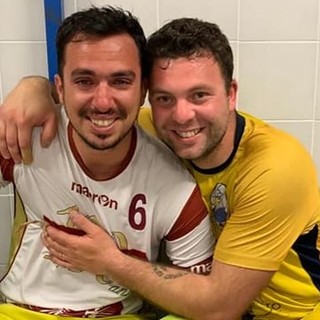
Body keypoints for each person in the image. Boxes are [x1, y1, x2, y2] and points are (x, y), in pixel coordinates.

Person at [1, 16, 320, 320]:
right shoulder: (130, 126)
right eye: (165, 98)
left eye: (199, 95)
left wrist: (110, 261)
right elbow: (96, 110)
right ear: (147, 97)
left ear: (231, 93)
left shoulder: (275, 169)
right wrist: (32, 86)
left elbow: (219, 308)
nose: (182, 116)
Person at [0, 7, 215, 320]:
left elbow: (201, 298)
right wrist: (29, 84)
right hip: (21, 312)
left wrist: (113, 262)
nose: (102, 102)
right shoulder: (25, 134)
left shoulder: (174, 186)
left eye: (120, 81)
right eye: (85, 81)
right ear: (59, 88)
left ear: (143, 90)